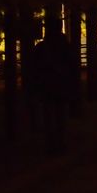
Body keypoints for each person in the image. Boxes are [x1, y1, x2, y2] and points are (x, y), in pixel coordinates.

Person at [31, 18, 77, 155]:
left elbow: (35, 68)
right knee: (60, 115)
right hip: (61, 85)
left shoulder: (41, 47)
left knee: (49, 115)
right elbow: (72, 66)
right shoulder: (65, 46)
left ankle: (51, 143)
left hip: (47, 86)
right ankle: (60, 142)